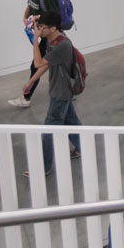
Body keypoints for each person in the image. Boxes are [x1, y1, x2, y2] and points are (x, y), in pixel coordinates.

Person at [33, 12, 85, 164]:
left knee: (49, 131)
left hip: (60, 93)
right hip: (61, 90)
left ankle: (44, 166)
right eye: (38, 26)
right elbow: (48, 63)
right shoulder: (52, 38)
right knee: (72, 123)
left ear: (53, 28)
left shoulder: (62, 45)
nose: (39, 30)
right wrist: (31, 81)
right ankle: (84, 147)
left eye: (42, 27)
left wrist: (36, 40)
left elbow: (38, 62)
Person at [7, 0, 53, 108]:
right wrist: (25, 16)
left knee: (36, 65)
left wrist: (37, 18)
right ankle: (70, 90)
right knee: (57, 64)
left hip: (51, 36)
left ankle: (26, 97)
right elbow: (30, 5)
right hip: (43, 35)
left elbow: (53, 16)